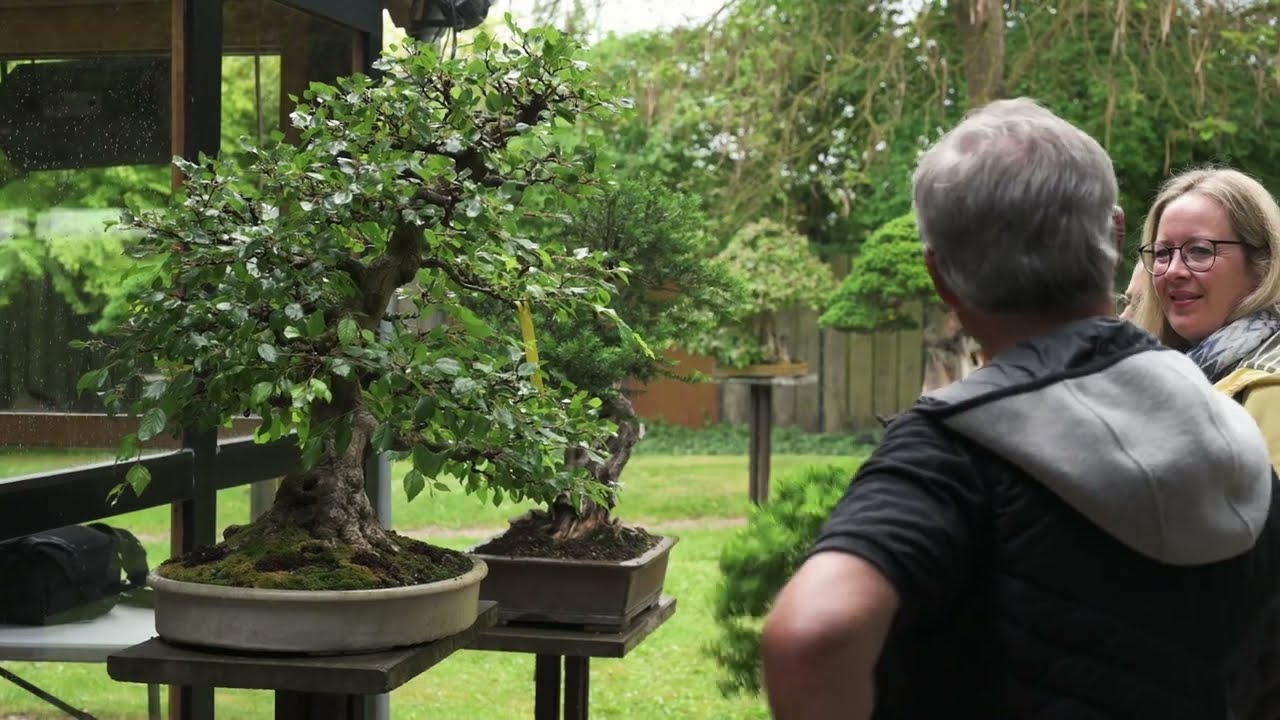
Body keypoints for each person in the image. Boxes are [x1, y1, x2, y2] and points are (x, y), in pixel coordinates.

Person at [760, 98, 1280, 720]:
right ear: (1116, 239)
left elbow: (811, 638)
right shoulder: (1232, 412)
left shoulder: (945, 453)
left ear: (939, 276)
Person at [1127, 167, 1280, 467]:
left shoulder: (1270, 388)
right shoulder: (1176, 376)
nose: (1173, 271)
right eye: (1162, 254)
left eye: (1199, 251)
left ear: (1262, 265)